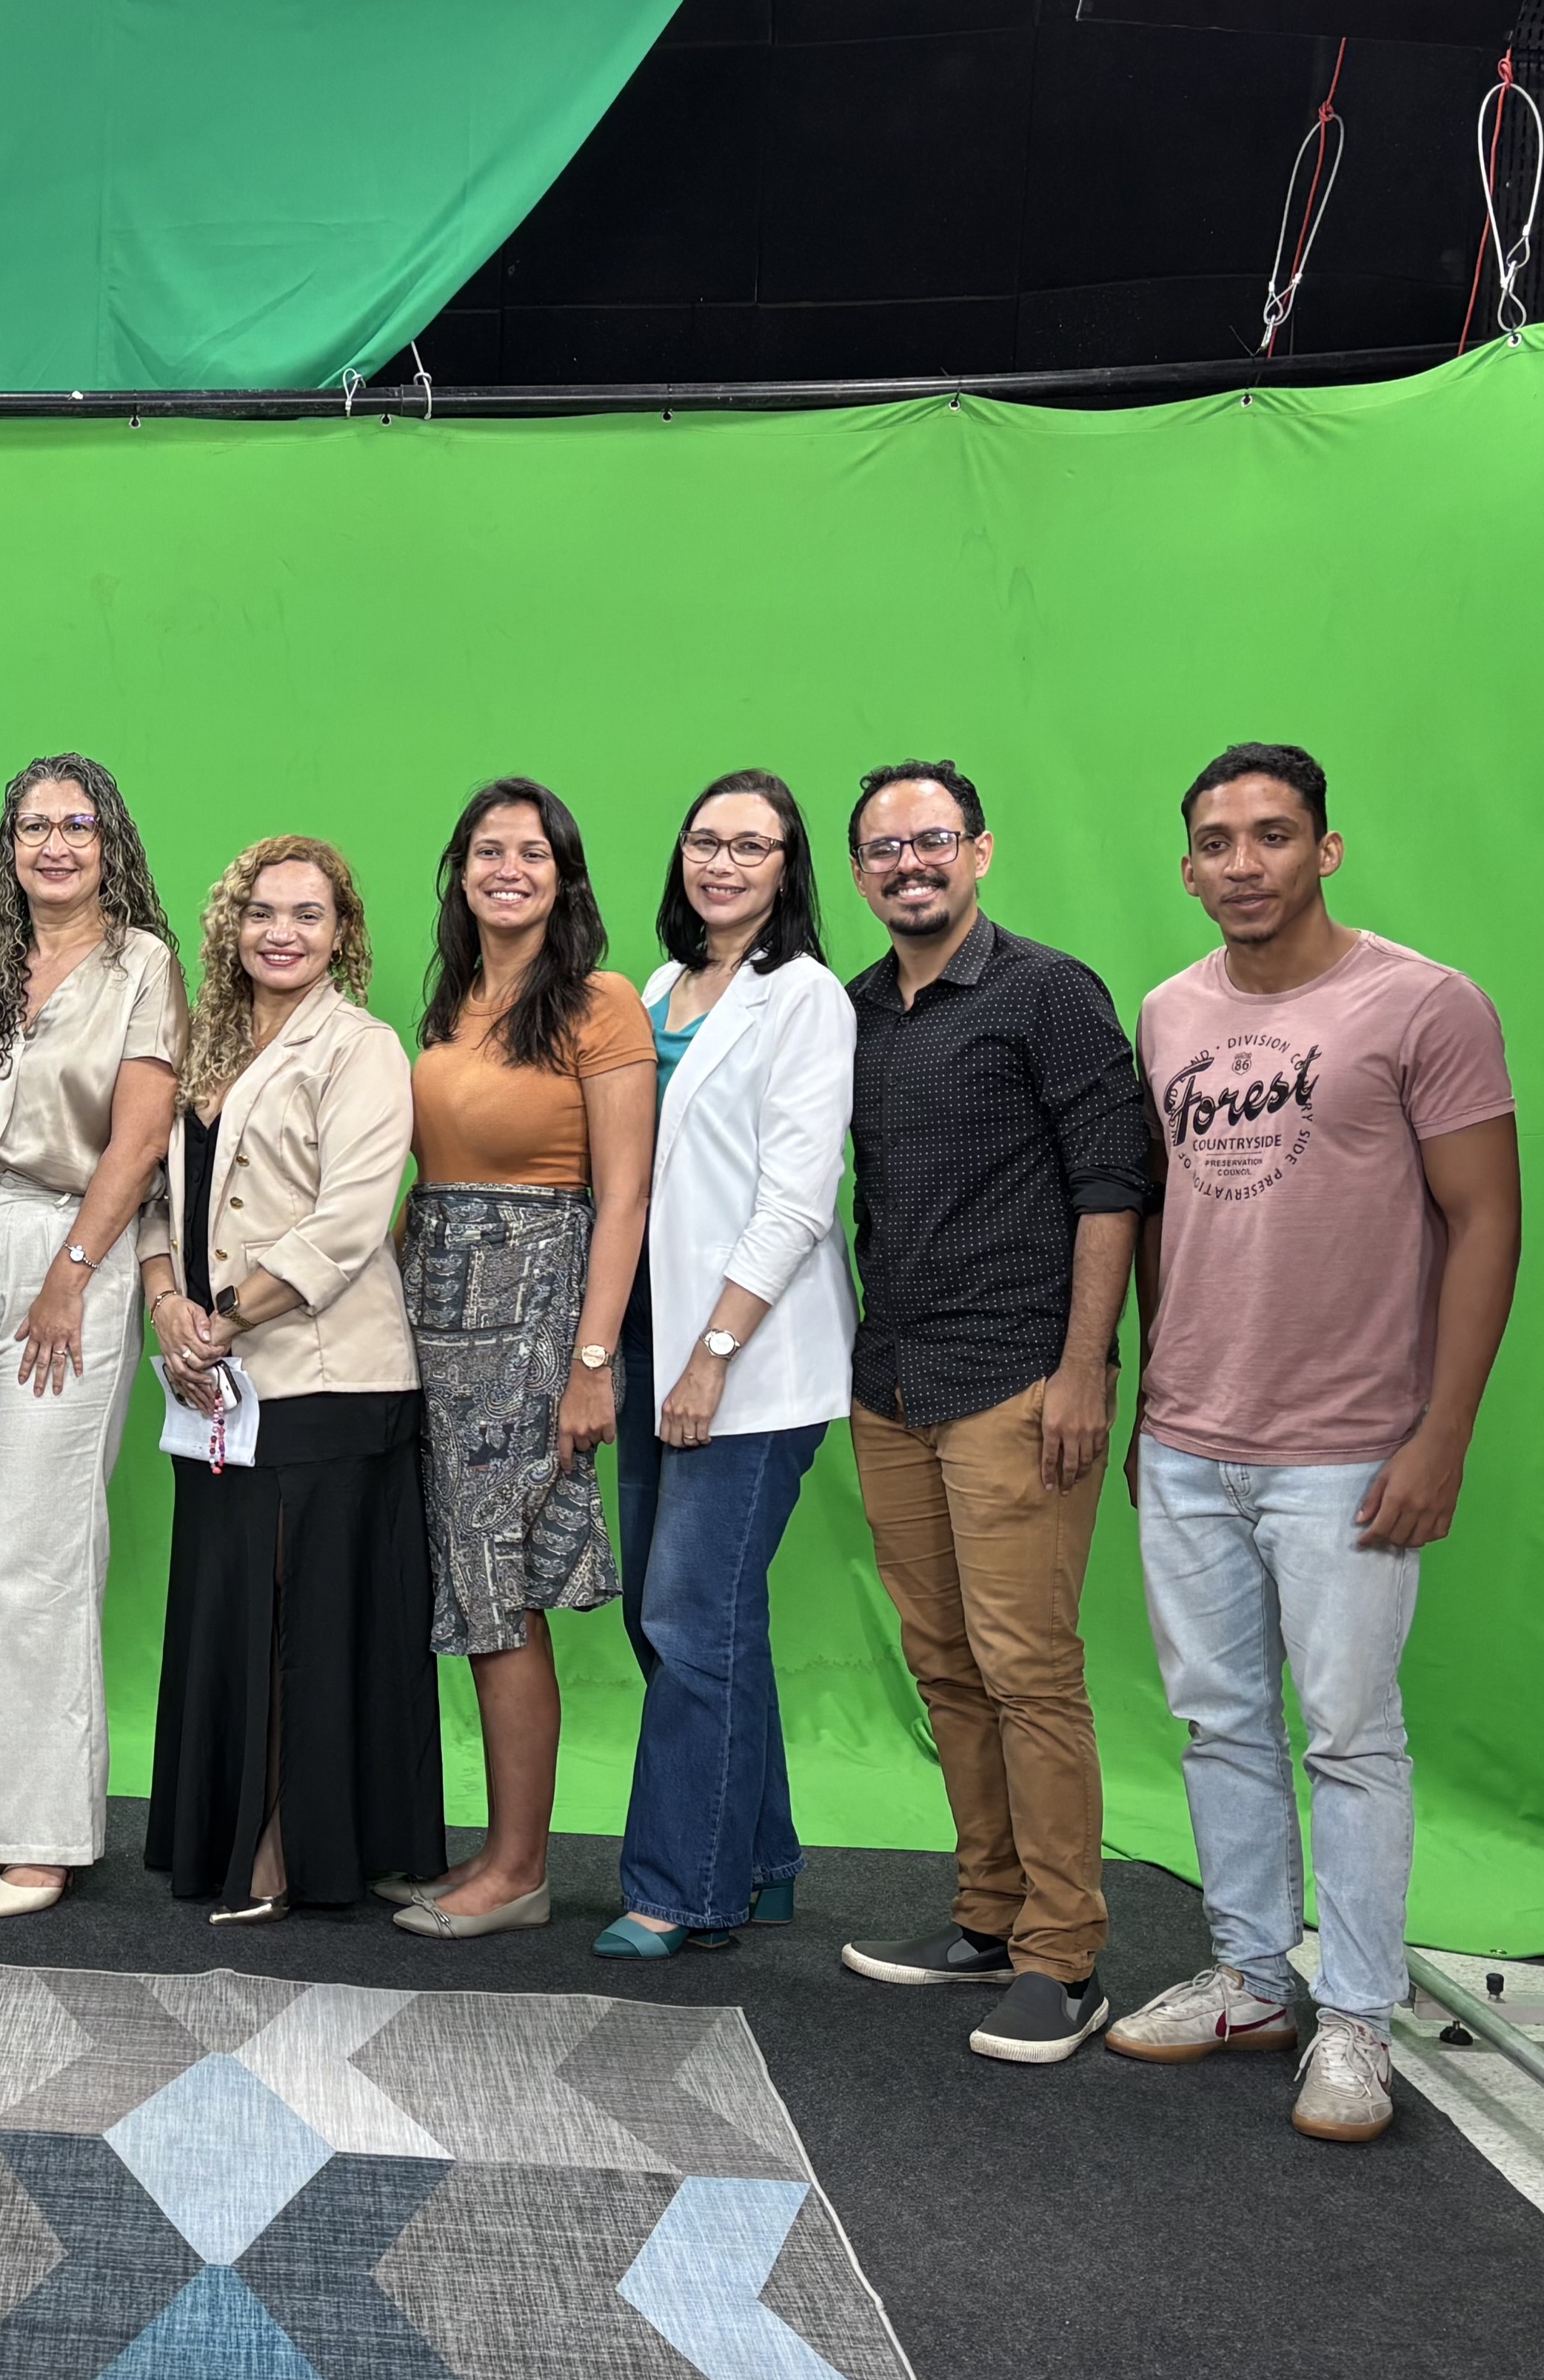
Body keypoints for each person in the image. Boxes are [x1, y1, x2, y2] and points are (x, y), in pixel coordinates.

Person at [1103, 743, 1519, 2143]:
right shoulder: (1168, 1011)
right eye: (1218, 842)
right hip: (1190, 1439)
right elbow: (1160, 1218)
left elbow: (1488, 1218)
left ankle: (1355, 2017)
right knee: (1217, 1722)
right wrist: (1152, 1399)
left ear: (1326, 849)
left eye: (1274, 835)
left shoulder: (1425, 1003)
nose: (1245, 863)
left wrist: (1442, 1433)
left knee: (1349, 1734)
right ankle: (1248, 1978)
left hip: (1349, 1445)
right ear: (1188, 868)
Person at [828, 759, 1153, 2064]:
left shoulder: (1048, 992)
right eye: (884, 849)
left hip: (1019, 1377)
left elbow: (1114, 1181)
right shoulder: (854, 1009)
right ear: (860, 872)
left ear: (980, 849)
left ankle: (1064, 1958)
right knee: (945, 1664)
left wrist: (1088, 1369)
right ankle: (989, 1913)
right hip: (892, 1384)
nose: (910, 864)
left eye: (933, 840)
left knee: (1029, 1669)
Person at [141, 836, 444, 1924]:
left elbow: (350, 1222)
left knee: (302, 1621)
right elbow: (156, 1195)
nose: (282, 933)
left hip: (327, 1379)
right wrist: (165, 1303)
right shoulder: (204, 1042)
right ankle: (225, 1832)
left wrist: (221, 1320)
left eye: (308, 915)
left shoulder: (361, 1047)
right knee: (231, 1609)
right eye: (262, 912)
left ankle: (287, 1848)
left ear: (342, 932)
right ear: (232, 924)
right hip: (214, 1375)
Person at [377, 781, 652, 1942]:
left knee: (501, 1581)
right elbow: (426, 1176)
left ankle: (520, 1868)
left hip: (532, 1318)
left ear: (564, 875)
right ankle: (493, 1850)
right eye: (488, 850)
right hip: (435, 1308)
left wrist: (592, 1360)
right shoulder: (451, 1005)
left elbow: (624, 1195)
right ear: (461, 871)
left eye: (531, 852)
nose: (508, 868)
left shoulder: (600, 1002)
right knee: (463, 1575)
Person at [599, 770, 858, 1959]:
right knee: (688, 1618)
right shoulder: (658, 989)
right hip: (647, 1338)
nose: (723, 862)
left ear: (787, 867)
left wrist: (711, 1355)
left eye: (753, 846)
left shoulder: (804, 997)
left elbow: (798, 1199)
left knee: (689, 1613)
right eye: (706, 840)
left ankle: (677, 1887)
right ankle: (760, 1858)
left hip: (745, 1356)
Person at [0, 756, 181, 1919]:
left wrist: (73, 1274)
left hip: (76, 1242)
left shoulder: (144, 966)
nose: (56, 844)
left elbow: (138, 1139)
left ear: (109, 840)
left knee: (36, 1541)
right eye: (35, 825)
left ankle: (43, 1835)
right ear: (10, 845)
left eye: (78, 824)